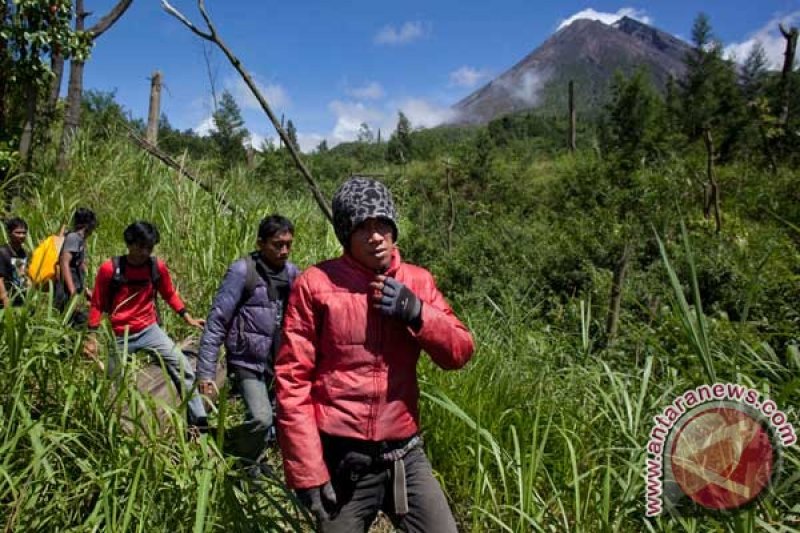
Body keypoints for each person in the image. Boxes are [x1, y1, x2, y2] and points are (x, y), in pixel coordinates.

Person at [275, 176, 475, 532]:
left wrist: (417, 312)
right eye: (362, 227)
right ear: (345, 235)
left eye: (382, 223)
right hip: (342, 458)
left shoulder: (417, 282)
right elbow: (292, 380)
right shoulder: (316, 285)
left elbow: (459, 352)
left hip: (404, 454)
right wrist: (307, 470)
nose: (376, 236)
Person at [196, 215, 299, 464]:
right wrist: (205, 373)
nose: (284, 250)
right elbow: (217, 320)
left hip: (279, 360)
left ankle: (250, 464)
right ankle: (224, 446)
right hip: (247, 360)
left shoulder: (293, 274)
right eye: (277, 244)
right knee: (261, 418)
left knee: (276, 419)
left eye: (288, 244)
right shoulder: (243, 271)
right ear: (261, 243)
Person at [83, 221, 207, 426]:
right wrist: (92, 336)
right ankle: (112, 427)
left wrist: (187, 316)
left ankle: (200, 424)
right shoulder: (110, 269)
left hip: (149, 330)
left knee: (183, 367)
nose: (144, 252)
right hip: (119, 334)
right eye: (140, 246)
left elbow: (169, 293)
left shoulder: (155, 267)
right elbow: (96, 304)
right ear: (129, 243)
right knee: (113, 382)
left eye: (149, 247)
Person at [55, 207, 98, 324]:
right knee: (77, 323)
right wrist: (73, 291)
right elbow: (64, 263)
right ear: (89, 225)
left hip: (73, 290)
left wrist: (85, 290)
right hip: (66, 292)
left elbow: (76, 269)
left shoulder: (79, 239)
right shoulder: (73, 238)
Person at [0, 217, 29, 308]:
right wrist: (5, 299)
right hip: (5, 301)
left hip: (19, 299)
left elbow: (21, 274)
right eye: (18, 232)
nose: (21, 236)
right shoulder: (3, 252)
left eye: (24, 233)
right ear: (9, 233)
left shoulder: (23, 253)